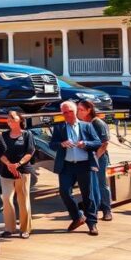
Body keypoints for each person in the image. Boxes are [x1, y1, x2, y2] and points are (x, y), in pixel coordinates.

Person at [50, 100, 102, 236]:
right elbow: (52, 145)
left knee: (88, 195)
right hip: (67, 165)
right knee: (64, 192)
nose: (67, 114)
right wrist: (61, 144)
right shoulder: (59, 127)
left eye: (70, 111)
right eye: (64, 112)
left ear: (76, 112)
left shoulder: (86, 126)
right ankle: (78, 216)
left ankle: (92, 223)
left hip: (84, 164)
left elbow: (97, 142)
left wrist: (85, 143)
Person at [0, 110, 35, 238]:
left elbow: (30, 152)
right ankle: (9, 228)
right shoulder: (3, 135)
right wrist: (9, 164)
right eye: (8, 118)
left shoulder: (27, 134)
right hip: (6, 172)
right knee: (7, 198)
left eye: (12, 117)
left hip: (22, 172)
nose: (10, 120)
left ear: (20, 120)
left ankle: (25, 229)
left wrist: (17, 165)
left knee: (23, 200)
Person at [79, 100, 113, 221]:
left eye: (81, 110)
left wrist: (96, 158)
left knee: (101, 184)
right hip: (88, 157)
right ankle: (93, 209)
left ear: (89, 110)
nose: (78, 112)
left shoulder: (97, 123)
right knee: (90, 185)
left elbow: (104, 143)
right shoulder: (83, 123)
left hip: (99, 157)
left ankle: (107, 210)